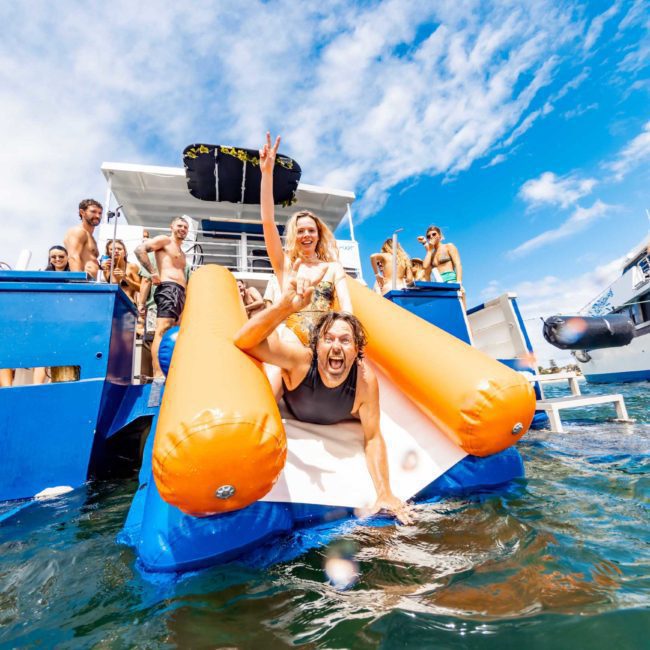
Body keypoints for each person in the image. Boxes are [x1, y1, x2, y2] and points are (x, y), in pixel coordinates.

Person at [234, 261, 413, 525]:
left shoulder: (364, 380)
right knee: (273, 370)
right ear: (316, 347)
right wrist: (284, 307)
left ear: (357, 349)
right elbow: (244, 341)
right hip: (289, 404)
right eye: (328, 339)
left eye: (345, 340)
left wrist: (385, 492)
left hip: (330, 410)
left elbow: (373, 437)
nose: (336, 347)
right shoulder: (301, 361)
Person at [259, 132, 353, 345]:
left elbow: (347, 307)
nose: (306, 235)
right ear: (295, 236)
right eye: (300, 231)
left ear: (319, 235)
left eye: (311, 230)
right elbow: (267, 221)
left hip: (324, 341)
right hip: (291, 340)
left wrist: (349, 335)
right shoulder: (285, 264)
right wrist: (267, 173)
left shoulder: (333, 268)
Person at [135, 216, 189, 379]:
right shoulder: (165, 241)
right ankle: (158, 372)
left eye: (186, 227)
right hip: (168, 288)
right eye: (180, 225)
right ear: (171, 226)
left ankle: (170, 371)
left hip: (179, 293)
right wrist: (152, 272)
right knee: (162, 329)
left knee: (175, 331)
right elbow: (139, 250)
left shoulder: (183, 253)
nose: (183, 229)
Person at [418, 226, 465, 307]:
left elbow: (458, 264)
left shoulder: (448, 246)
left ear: (439, 235)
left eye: (434, 234)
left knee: (460, 308)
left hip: (451, 281)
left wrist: (459, 282)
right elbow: (425, 267)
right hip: (439, 285)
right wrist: (428, 249)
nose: (431, 237)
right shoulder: (431, 254)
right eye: (429, 236)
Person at [64, 199, 103, 277]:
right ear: (82, 212)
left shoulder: (90, 237)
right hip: (84, 283)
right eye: (93, 212)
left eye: (100, 213)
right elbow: (73, 257)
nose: (97, 216)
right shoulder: (78, 231)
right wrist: (79, 283)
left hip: (93, 282)